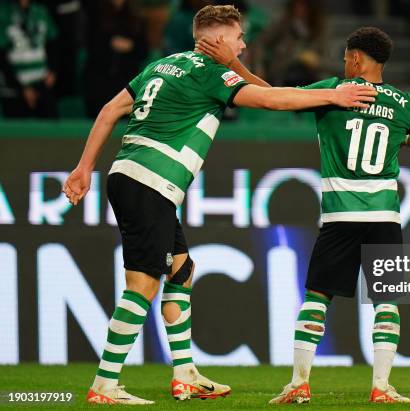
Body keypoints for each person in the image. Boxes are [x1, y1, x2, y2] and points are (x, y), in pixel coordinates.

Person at [62, 4, 376, 405]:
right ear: (219, 38)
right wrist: (334, 95)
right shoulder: (211, 72)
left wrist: (84, 167)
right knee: (142, 286)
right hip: (152, 183)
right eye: (239, 36)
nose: (243, 44)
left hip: (130, 176)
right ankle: (104, 384)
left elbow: (110, 110)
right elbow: (270, 100)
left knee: (182, 272)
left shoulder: (162, 65)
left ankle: (185, 375)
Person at [198, 26, 410, 404]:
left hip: (339, 217)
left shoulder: (334, 92)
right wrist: (405, 137)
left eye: (347, 56)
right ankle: (381, 388)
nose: (344, 63)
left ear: (357, 58)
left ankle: (299, 383)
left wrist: (234, 65)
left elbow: (275, 95)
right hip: (384, 217)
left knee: (316, 297)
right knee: (387, 302)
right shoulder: (403, 103)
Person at [0, 0, 59, 118]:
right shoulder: (3, 13)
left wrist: (53, 70)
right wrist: (22, 88)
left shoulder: (41, 11)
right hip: (13, 89)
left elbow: (54, 44)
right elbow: (1, 56)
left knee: (50, 130)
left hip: (42, 84)